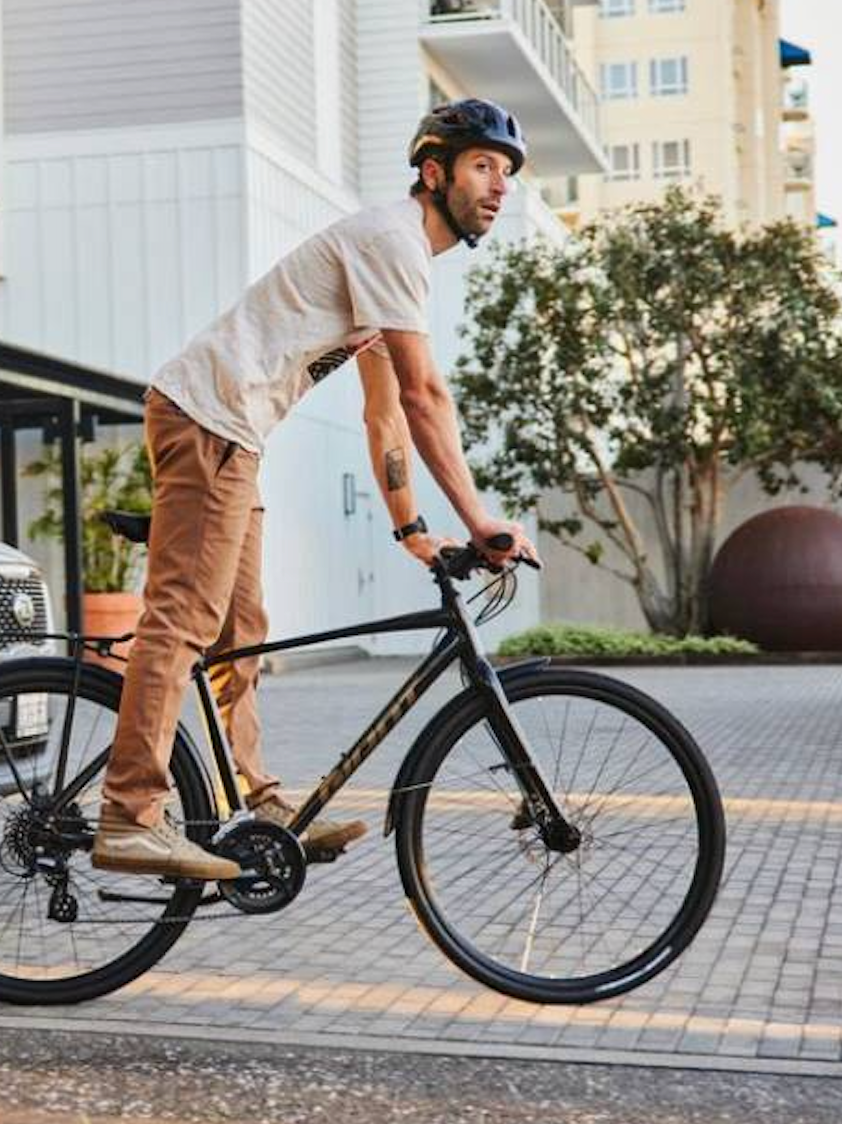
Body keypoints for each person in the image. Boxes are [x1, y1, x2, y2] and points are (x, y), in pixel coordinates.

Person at [93, 99, 540, 880]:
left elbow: (388, 416)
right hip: (210, 420)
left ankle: (255, 799)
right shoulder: (391, 238)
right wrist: (480, 519)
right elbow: (427, 392)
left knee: (244, 627)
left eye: (505, 172)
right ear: (434, 174)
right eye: (481, 166)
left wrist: (414, 531)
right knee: (185, 620)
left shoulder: (393, 264)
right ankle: (130, 815)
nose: (497, 186)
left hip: (231, 432)